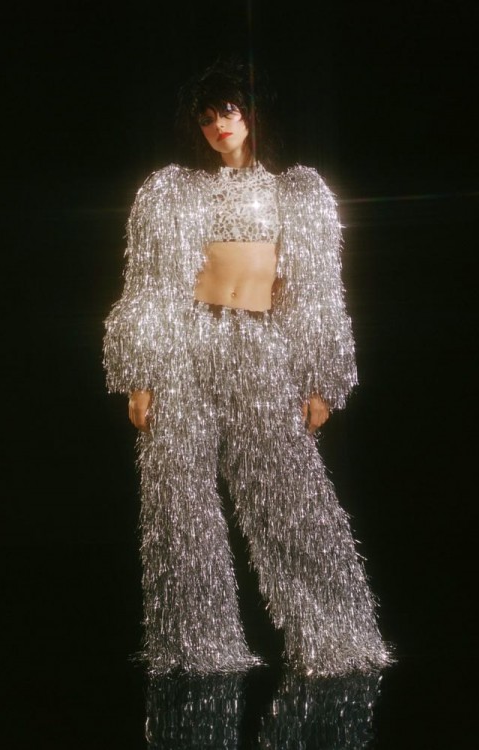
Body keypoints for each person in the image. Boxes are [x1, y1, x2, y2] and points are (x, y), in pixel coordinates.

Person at [103, 59, 392, 675]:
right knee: (179, 499)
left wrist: (320, 379)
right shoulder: (173, 191)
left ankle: (336, 637)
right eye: (207, 118)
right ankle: (197, 646)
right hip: (187, 347)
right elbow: (148, 285)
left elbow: (316, 291)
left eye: (228, 112)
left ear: (253, 114)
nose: (219, 126)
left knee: (289, 494)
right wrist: (141, 375)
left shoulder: (297, 192)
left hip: (261, 349)